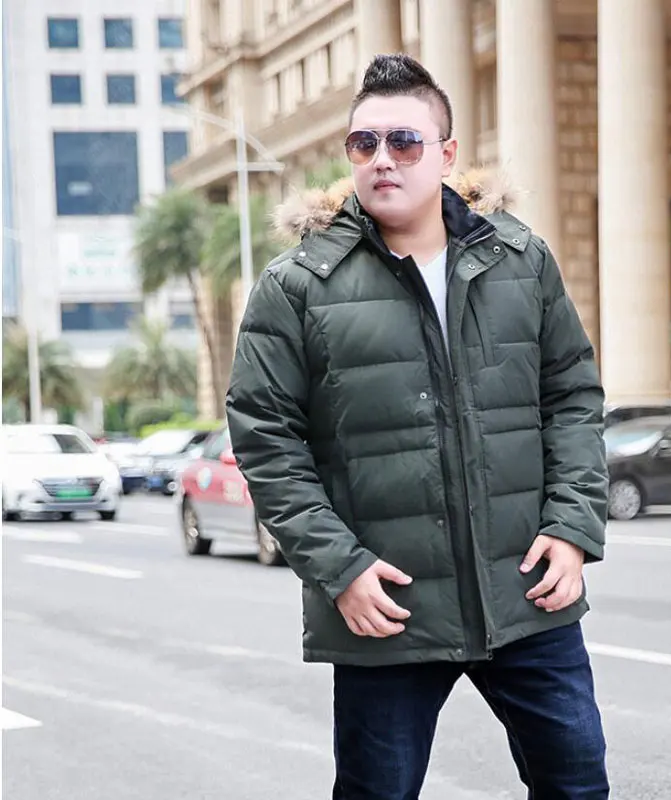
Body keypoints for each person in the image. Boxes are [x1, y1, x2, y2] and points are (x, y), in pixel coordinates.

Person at [227, 53, 609, 800]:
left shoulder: (519, 259)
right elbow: (266, 442)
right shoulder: (297, 285)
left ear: (446, 153)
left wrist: (572, 527)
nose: (382, 159)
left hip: (526, 595)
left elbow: (572, 397)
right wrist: (340, 569)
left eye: (404, 141)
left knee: (577, 784)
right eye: (364, 143)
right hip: (386, 608)